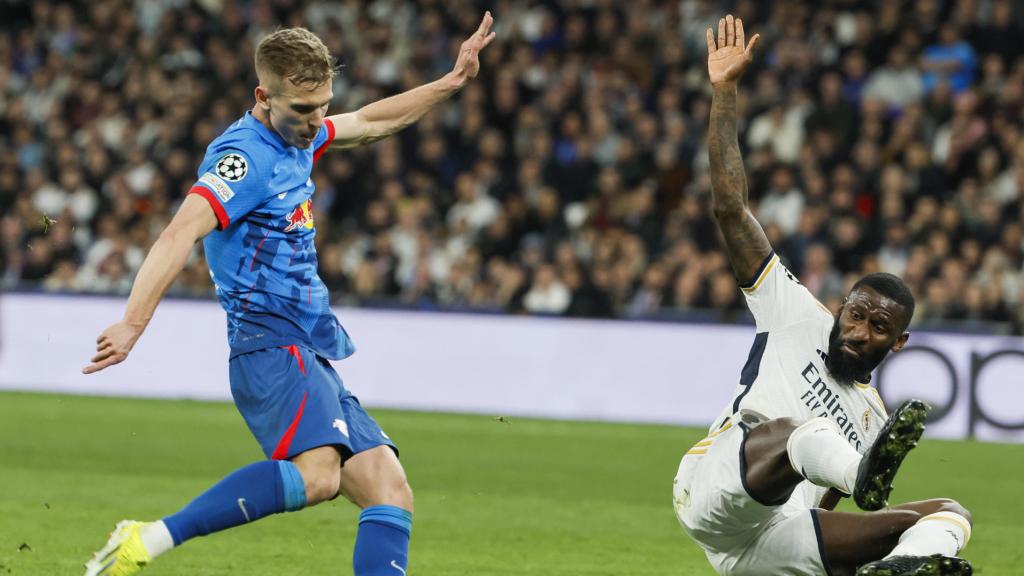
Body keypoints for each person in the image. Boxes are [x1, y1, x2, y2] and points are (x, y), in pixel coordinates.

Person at [82, 14, 496, 576]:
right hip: (268, 343)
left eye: (323, 103)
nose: (316, 120)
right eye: (303, 110)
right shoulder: (244, 157)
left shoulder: (301, 134)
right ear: (263, 96)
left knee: (389, 489)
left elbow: (371, 120)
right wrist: (133, 323)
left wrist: (449, 84)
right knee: (319, 477)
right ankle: (148, 539)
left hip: (306, 345)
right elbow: (179, 230)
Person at [671, 16, 974, 576]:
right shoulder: (793, 311)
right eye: (856, 315)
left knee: (950, 515)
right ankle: (862, 480)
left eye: (879, 329)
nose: (860, 332)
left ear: (899, 342)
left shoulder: (873, 420)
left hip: (773, 546)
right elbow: (730, 209)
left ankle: (901, 567)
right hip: (714, 492)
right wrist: (725, 94)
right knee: (795, 435)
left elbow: (823, 518)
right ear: (839, 309)